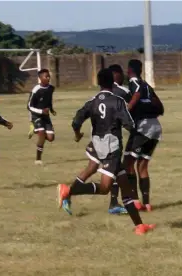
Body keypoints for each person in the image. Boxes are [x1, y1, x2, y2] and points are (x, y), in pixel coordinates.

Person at [56, 68, 155, 235]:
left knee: (126, 189)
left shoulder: (92, 101)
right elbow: (129, 124)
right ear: (113, 82)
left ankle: (139, 226)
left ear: (99, 83)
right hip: (112, 148)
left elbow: (76, 120)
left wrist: (77, 134)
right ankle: (69, 190)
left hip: (97, 143)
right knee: (105, 188)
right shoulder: (117, 101)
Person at [80, 64, 131, 215]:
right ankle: (69, 191)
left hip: (96, 136)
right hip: (109, 139)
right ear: (116, 75)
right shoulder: (122, 92)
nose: (123, 77)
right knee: (111, 171)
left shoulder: (97, 96)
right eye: (121, 74)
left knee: (93, 168)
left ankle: (115, 203)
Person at [124, 59, 164, 212]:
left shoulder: (134, 83)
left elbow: (136, 96)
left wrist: (127, 111)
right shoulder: (147, 85)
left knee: (127, 163)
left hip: (143, 127)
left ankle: (135, 201)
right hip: (155, 127)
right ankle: (147, 204)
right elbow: (161, 108)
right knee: (142, 165)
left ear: (129, 71)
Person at [27, 69, 56, 165]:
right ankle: (38, 159)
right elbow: (29, 106)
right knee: (42, 134)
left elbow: (49, 100)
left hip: (46, 115)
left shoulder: (51, 88)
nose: (48, 78)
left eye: (48, 76)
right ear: (40, 78)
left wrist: (51, 109)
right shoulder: (36, 90)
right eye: (46, 76)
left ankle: (36, 130)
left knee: (51, 138)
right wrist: (41, 111)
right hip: (35, 115)